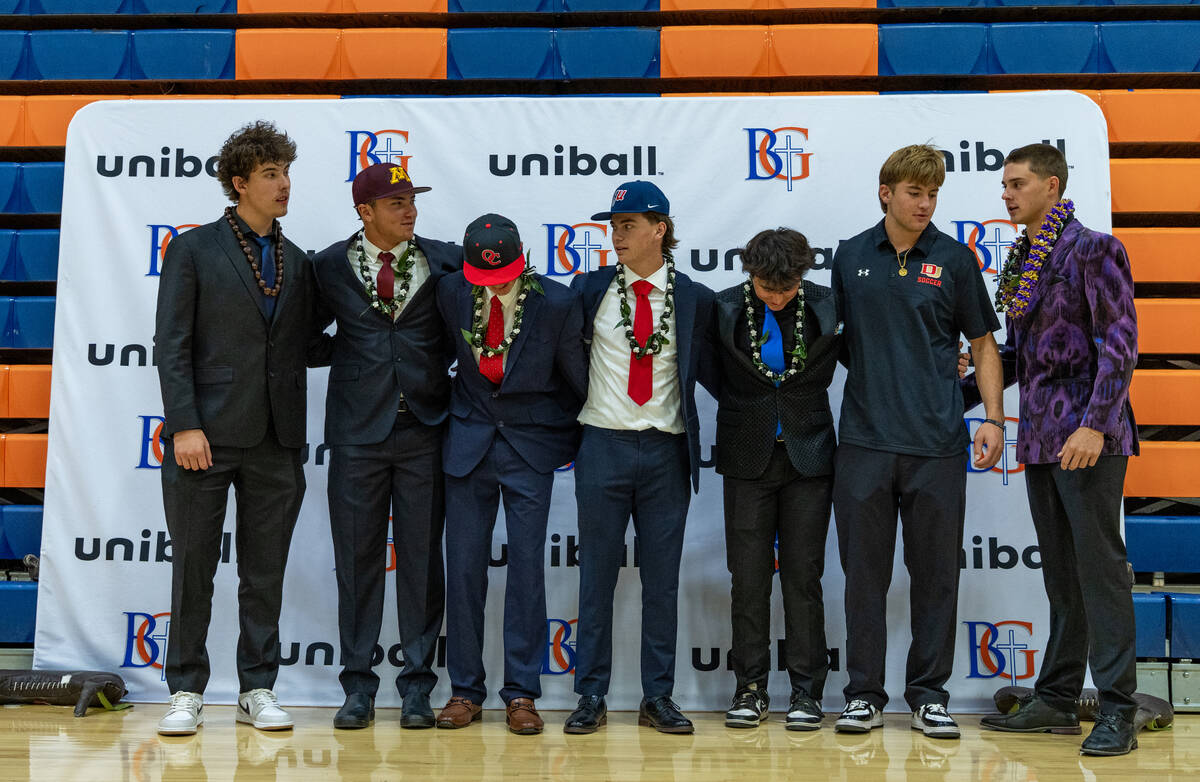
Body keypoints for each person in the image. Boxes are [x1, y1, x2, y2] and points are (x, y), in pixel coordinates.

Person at [830, 144, 1004, 739]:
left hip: (937, 443)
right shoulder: (849, 255)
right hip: (863, 442)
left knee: (935, 576)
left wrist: (995, 420)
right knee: (864, 577)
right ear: (887, 193)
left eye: (933, 194)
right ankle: (863, 695)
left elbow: (982, 344)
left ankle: (929, 694)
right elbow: (841, 345)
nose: (925, 203)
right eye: (913, 192)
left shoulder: (956, 260)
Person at [974, 143, 1140, 757]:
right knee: (1063, 575)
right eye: (1004, 185)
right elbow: (1019, 358)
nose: (1007, 194)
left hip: (1087, 436)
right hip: (1042, 435)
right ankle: (1058, 699)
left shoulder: (1095, 247)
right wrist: (952, 391)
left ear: (1052, 185)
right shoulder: (1023, 256)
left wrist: (1096, 424)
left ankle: (1119, 708)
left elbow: (1121, 343)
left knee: (1100, 573)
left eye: (1017, 184)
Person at [154, 120, 314, 735]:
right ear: (239, 183)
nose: (284, 185)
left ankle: (258, 686)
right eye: (271, 174)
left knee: (264, 569)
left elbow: (299, 344)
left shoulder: (297, 262)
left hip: (278, 440)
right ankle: (186, 689)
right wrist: (185, 425)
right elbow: (172, 346)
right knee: (194, 564)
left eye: (286, 173)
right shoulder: (192, 250)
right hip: (205, 438)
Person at [309, 162, 460, 730]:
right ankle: (357, 686)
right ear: (365, 212)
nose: (409, 210)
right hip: (356, 433)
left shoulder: (443, 258)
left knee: (422, 562)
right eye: (396, 203)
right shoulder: (325, 267)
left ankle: (418, 687)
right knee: (357, 561)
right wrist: (357, 358)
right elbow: (302, 337)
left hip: (425, 428)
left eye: (412, 199)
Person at [564, 181, 717, 735]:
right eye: (613, 224)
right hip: (601, 444)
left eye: (628, 224)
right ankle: (590, 695)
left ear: (661, 228)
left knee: (662, 581)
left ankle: (658, 696)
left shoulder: (696, 298)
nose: (617, 234)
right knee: (595, 577)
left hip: (665, 450)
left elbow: (722, 374)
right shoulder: (589, 288)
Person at [433, 214, 588, 735]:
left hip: (529, 449)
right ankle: (463, 691)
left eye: (505, 274)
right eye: (484, 277)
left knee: (526, 572)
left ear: (523, 256)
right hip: (467, 446)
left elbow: (576, 381)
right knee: (464, 571)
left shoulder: (558, 301)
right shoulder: (450, 291)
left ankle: (522, 693)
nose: (495, 284)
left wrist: (555, 440)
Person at [713, 228, 843, 731]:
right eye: (767, 288)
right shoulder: (723, 308)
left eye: (786, 288)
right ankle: (750, 688)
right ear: (749, 272)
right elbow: (705, 370)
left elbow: (868, 359)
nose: (777, 296)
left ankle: (807, 693)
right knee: (746, 579)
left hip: (809, 455)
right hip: (747, 456)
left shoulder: (829, 305)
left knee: (803, 577)